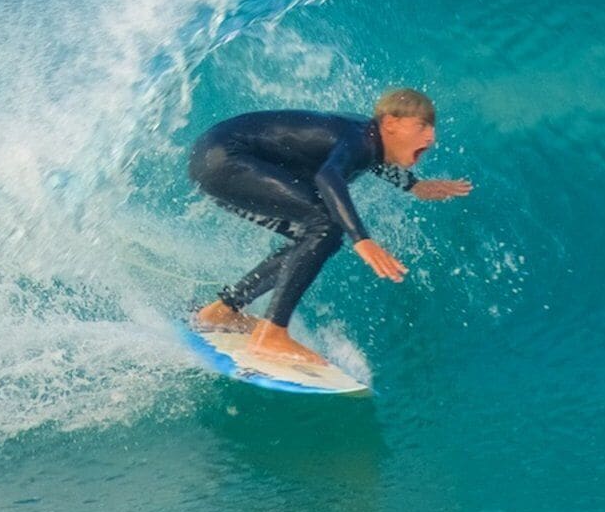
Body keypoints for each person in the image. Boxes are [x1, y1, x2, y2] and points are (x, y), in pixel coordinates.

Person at [186, 87, 471, 371]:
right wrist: (362, 239)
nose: (431, 137)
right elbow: (329, 175)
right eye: (422, 126)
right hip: (225, 160)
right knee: (325, 226)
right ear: (390, 124)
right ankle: (270, 335)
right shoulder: (360, 140)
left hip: (214, 159)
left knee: (318, 238)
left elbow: (367, 161)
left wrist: (414, 185)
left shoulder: (367, 138)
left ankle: (221, 312)